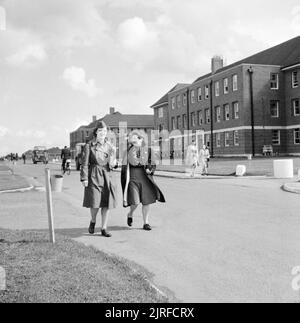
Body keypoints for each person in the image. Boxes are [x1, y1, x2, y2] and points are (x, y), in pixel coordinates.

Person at [121, 130, 166, 231]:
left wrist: (150, 169)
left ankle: (146, 223)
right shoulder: (127, 151)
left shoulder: (149, 150)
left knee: (146, 202)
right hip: (133, 179)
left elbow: (153, 163)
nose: (130, 138)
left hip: (145, 179)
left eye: (133, 136)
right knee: (135, 202)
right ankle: (130, 213)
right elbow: (124, 167)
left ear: (140, 138)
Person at [80, 121, 118, 238]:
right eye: (100, 131)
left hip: (107, 175)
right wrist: (84, 178)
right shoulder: (89, 146)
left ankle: (104, 228)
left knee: (106, 203)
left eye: (105, 131)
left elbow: (113, 164)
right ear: (96, 132)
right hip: (94, 175)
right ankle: (93, 220)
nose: (103, 133)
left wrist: (114, 161)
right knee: (95, 203)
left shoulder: (109, 146)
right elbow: (84, 163)